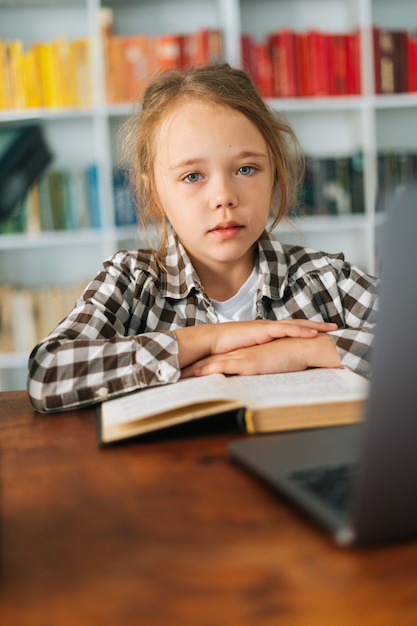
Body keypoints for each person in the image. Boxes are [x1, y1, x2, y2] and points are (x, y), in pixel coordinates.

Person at [27, 63, 378, 413]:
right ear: (156, 193)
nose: (224, 196)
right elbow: (48, 373)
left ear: (273, 172)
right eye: (193, 176)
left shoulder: (324, 279)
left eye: (245, 169)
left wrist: (306, 350)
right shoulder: (132, 282)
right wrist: (211, 339)